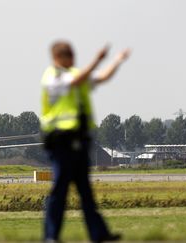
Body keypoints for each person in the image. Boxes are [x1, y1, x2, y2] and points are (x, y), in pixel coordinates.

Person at [40, 40, 130, 242]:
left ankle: (99, 234)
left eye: (72, 55)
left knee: (86, 193)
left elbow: (101, 77)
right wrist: (96, 60)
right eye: (68, 56)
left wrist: (117, 61)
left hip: (79, 143)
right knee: (59, 192)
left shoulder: (76, 76)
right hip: (60, 143)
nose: (72, 59)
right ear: (57, 58)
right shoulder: (52, 77)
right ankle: (51, 236)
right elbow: (76, 81)